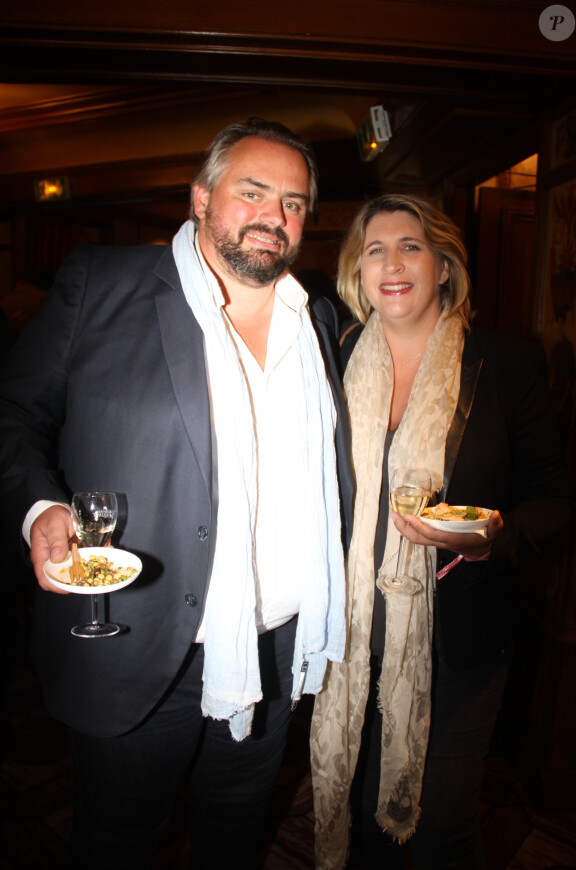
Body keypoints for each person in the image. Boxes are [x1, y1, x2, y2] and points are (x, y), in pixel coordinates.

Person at [0, 117, 353, 870]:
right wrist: (39, 505)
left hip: (275, 641)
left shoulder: (314, 318)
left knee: (235, 829)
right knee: (118, 842)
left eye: (293, 202)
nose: (274, 216)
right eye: (251, 192)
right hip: (137, 637)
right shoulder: (104, 283)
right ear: (201, 198)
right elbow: (13, 414)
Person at [310, 193, 573, 870]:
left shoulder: (507, 365)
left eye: (411, 246)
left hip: (458, 640)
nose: (391, 263)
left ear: (445, 267)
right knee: (362, 813)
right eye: (375, 250)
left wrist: (494, 537)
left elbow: (557, 497)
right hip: (348, 633)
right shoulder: (332, 365)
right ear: (357, 273)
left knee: (441, 829)